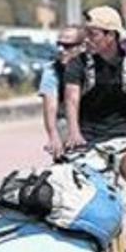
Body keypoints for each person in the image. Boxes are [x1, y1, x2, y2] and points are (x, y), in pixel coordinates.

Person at [63, 6, 126, 252]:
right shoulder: (78, 64)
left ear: (111, 36)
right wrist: (73, 133)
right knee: (76, 181)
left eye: (93, 34)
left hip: (125, 134)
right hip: (87, 136)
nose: (88, 39)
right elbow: (71, 99)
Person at [38, 25, 86, 159]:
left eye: (67, 46)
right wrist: (53, 136)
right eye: (59, 44)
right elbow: (50, 106)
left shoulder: (92, 68)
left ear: (82, 46)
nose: (61, 50)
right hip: (66, 121)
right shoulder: (51, 70)